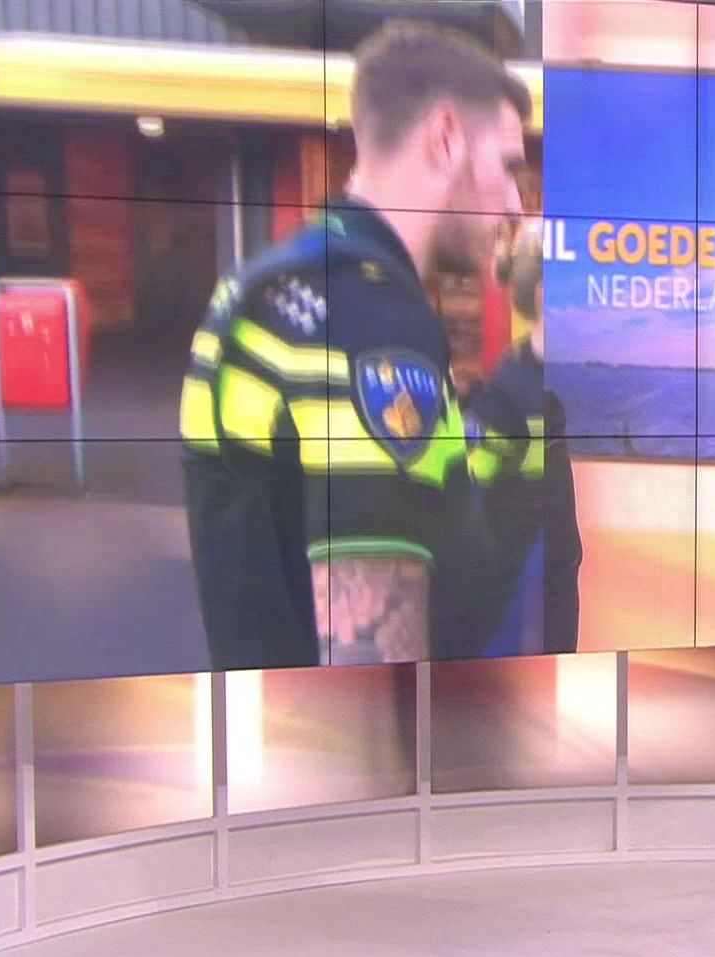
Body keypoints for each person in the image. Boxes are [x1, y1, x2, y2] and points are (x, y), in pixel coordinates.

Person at [178, 20, 530, 668]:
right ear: (446, 138)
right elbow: (371, 673)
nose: (515, 205)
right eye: (508, 168)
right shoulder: (371, 324)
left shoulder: (272, 282)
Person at [469, 220, 583, 655]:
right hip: (513, 621)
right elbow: (478, 485)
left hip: (552, 614)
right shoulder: (510, 386)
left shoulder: (559, 381)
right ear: (543, 294)